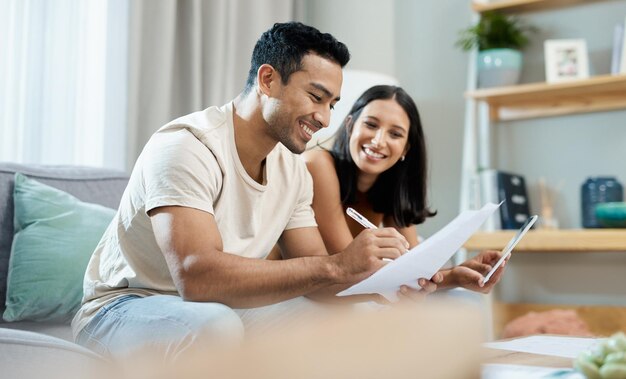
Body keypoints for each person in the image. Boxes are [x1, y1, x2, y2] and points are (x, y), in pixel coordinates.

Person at [71, 22, 442, 358]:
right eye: (316, 97)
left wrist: (382, 287)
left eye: (332, 104)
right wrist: (337, 265)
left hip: (220, 305)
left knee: (359, 318)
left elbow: (317, 277)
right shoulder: (187, 145)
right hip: (123, 307)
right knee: (215, 326)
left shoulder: (293, 171)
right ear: (268, 80)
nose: (325, 118)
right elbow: (195, 277)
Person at [300, 85, 506, 293]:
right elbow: (350, 269)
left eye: (395, 134)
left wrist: (457, 275)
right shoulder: (318, 164)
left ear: (406, 148)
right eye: (371, 125)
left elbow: (415, 268)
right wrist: (446, 276)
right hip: (307, 291)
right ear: (350, 125)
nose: (378, 141)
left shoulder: (390, 186)